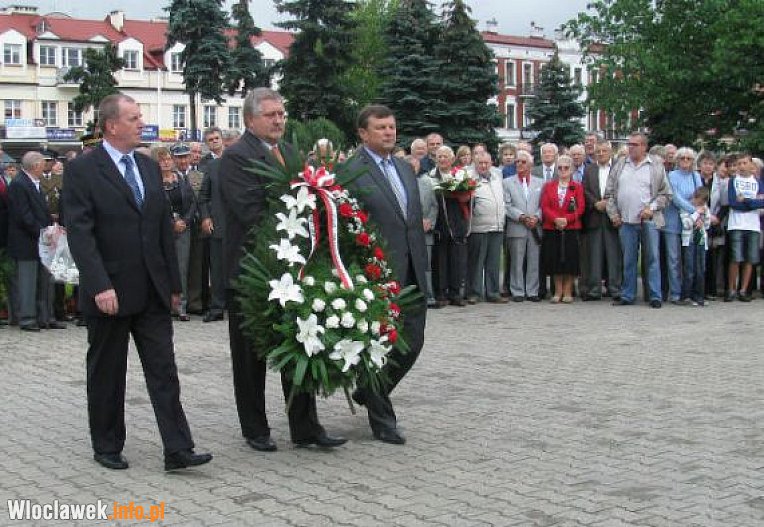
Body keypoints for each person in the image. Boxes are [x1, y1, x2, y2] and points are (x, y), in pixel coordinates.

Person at [63, 93, 212, 471]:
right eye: (134, 118)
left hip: (152, 290)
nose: (141, 123)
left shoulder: (146, 166)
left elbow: (161, 228)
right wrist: (99, 285)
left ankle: (178, 449)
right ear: (111, 125)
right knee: (108, 373)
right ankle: (107, 445)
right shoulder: (84, 169)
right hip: (110, 292)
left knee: (164, 371)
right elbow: (80, 234)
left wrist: (174, 284)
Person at [219, 87, 346, 452]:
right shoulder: (236, 157)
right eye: (270, 115)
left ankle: (305, 428)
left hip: (294, 267)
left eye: (281, 114)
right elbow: (250, 211)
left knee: (300, 341)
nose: (278, 120)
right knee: (249, 356)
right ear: (250, 119)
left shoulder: (289, 152)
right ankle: (255, 428)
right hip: (251, 270)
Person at [345, 104, 428, 445]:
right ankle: (383, 420)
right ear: (363, 133)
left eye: (392, 126)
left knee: (413, 340)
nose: (389, 132)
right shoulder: (351, 171)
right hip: (375, 271)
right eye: (380, 127)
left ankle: (370, 389)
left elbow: (411, 220)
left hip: (412, 268)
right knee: (379, 345)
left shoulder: (405, 168)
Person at [605, 132, 672, 308]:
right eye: (629, 144)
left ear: (644, 147)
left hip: (649, 220)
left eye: (634, 145)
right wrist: (613, 215)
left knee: (652, 259)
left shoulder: (655, 166)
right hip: (626, 221)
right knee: (628, 260)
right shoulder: (620, 164)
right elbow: (609, 193)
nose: (630, 147)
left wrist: (652, 208)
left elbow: (666, 194)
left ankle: (655, 296)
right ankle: (627, 295)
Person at [7, 152, 64, 331]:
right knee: (28, 281)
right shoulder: (19, 184)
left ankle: (44, 317)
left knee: (43, 281)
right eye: (43, 163)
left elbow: (40, 211)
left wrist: (50, 228)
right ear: (36, 165)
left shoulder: (33, 182)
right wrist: (43, 232)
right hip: (26, 242)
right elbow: (23, 215)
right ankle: (27, 318)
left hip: (39, 241)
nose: (46, 166)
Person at [155, 146, 196, 321]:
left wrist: (185, 221)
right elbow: (153, 206)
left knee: (181, 268)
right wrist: (171, 223)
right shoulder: (153, 181)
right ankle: (163, 305)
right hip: (162, 230)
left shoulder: (181, 179)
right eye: (161, 160)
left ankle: (181, 306)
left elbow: (192, 202)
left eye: (168, 159)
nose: (166, 163)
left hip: (183, 229)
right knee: (162, 267)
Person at [540, 154, 585, 303]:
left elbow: (581, 208)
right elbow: (545, 206)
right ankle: (557, 291)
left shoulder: (577, 187)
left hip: (571, 228)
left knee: (570, 260)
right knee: (555, 260)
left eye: (566, 167)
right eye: (560, 168)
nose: (563, 170)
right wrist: (555, 219)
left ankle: (568, 291)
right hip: (552, 228)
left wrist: (567, 219)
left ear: (571, 169)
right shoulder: (549, 186)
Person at [431, 145, 470, 307]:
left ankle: (455, 293)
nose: (442, 159)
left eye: (445, 156)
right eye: (439, 157)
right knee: (440, 260)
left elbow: (469, 197)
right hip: (440, 222)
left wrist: (466, 195)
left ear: (452, 159)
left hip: (457, 221)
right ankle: (440, 293)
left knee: (456, 259)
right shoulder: (431, 176)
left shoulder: (459, 175)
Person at [582, 140, 622, 300]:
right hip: (595, 216)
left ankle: (615, 288)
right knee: (594, 256)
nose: (601, 154)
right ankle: (594, 289)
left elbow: (621, 189)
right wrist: (595, 203)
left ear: (611, 152)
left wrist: (608, 203)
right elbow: (585, 190)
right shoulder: (589, 169)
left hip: (614, 217)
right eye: (598, 151)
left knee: (614, 255)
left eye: (604, 151)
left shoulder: (619, 168)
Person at [467, 151, 507, 304]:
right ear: (475, 164)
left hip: (497, 226)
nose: (483, 166)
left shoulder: (497, 177)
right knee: (476, 263)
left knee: (494, 263)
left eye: (486, 163)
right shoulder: (470, 178)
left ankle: (493, 292)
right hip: (478, 227)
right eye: (480, 163)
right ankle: (474, 293)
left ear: (491, 163)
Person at [665, 147, 703, 304]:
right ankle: (675, 293)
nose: (685, 161)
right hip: (673, 221)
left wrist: (698, 215)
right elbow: (675, 198)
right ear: (677, 160)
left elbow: (701, 197)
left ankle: (688, 293)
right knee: (674, 259)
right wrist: (694, 210)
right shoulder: (671, 175)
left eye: (689, 158)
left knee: (690, 260)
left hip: (691, 223)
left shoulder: (696, 176)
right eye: (682, 158)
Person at [503, 150, 543, 302]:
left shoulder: (540, 183)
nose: (519, 164)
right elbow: (507, 205)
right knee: (516, 262)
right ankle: (517, 291)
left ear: (530, 165)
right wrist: (521, 217)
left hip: (535, 227)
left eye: (523, 162)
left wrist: (537, 217)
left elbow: (544, 204)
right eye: (517, 162)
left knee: (534, 261)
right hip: (516, 226)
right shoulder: (507, 182)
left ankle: (532, 291)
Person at [725, 153, 764, 302]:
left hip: (753, 225)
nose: (741, 166)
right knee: (736, 257)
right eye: (739, 163)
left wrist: (746, 200)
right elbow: (733, 203)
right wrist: (753, 203)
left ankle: (743, 290)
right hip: (736, 224)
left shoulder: (758, 182)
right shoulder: (733, 181)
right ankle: (731, 289)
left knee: (750, 258)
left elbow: (762, 202)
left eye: (744, 163)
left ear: (751, 164)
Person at [678, 186, 711, 306]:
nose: (700, 204)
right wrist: (696, 213)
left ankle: (699, 296)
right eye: (699, 201)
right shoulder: (686, 207)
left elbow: (707, 225)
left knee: (700, 269)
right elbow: (686, 224)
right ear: (694, 197)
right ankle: (686, 295)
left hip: (701, 240)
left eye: (702, 203)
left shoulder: (705, 208)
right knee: (689, 269)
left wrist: (703, 219)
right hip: (689, 241)